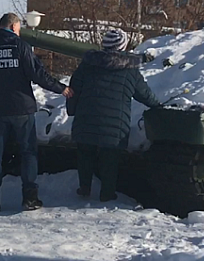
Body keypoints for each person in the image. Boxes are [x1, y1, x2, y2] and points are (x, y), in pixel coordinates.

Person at [0, 13, 73, 212]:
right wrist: (61, 88)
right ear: (13, 26)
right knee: (27, 152)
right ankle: (30, 198)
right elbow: (38, 74)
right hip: (21, 109)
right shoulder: (20, 47)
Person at [66, 29, 160, 202]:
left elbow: (74, 89)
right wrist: (159, 105)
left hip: (86, 120)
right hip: (114, 126)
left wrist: (71, 110)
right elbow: (144, 94)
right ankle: (107, 193)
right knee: (110, 159)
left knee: (85, 154)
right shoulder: (130, 70)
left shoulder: (87, 64)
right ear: (123, 46)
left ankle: (84, 188)